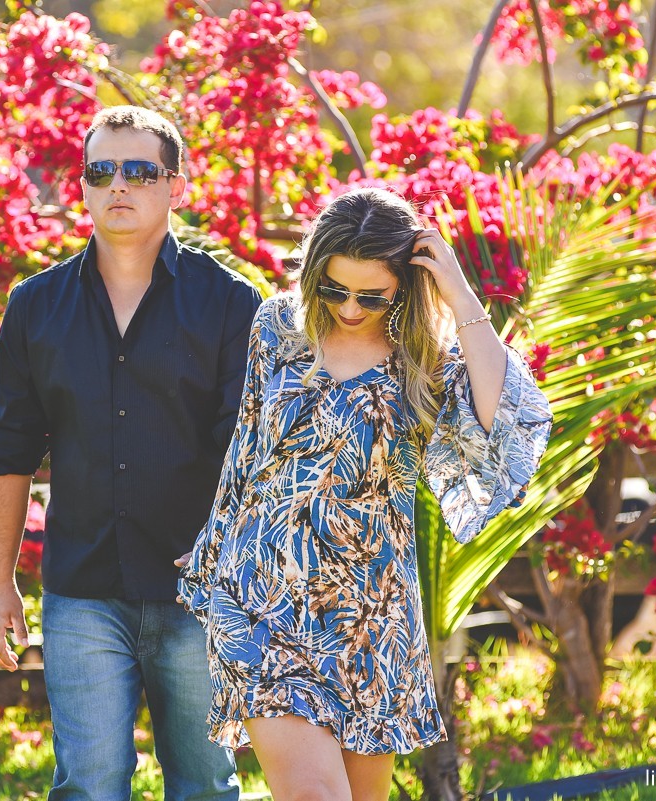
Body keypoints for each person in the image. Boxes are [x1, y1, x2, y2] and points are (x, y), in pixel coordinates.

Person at [177, 187, 553, 801]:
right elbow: (246, 451)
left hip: (373, 612)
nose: (350, 307)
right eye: (333, 288)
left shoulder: (425, 360)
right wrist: (212, 550)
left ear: (403, 287)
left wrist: (460, 296)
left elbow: (505, 423)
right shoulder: (277, 328)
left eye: (371, 296)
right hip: (265, 597)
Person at [0, 105, 261, 801]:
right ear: (81, 185)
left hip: (199, 592)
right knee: (90, 783)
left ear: (177, 185)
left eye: (140, 170)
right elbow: (7, 450)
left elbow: (248, 452)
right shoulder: (35, 306)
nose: (119, 186)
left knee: (204, 783)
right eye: (100, 171)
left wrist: (230, 564)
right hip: (82, 592)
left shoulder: (230, 303)